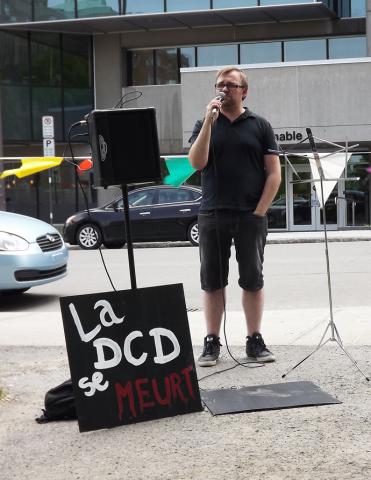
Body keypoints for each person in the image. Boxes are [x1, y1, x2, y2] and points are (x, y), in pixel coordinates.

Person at [188, 66, 281, 367]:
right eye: (219, 85)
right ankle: (212, 341)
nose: (224, 89)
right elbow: (197, 162)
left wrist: (260, 211)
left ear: (244, 91)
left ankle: (254, 340)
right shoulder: (205, 122)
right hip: (213, 214)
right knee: (212, 282)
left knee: (252, 280)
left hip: (249, 216)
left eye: (230, 84)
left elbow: (274, 174)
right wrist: (208, 123)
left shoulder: (260, 125)